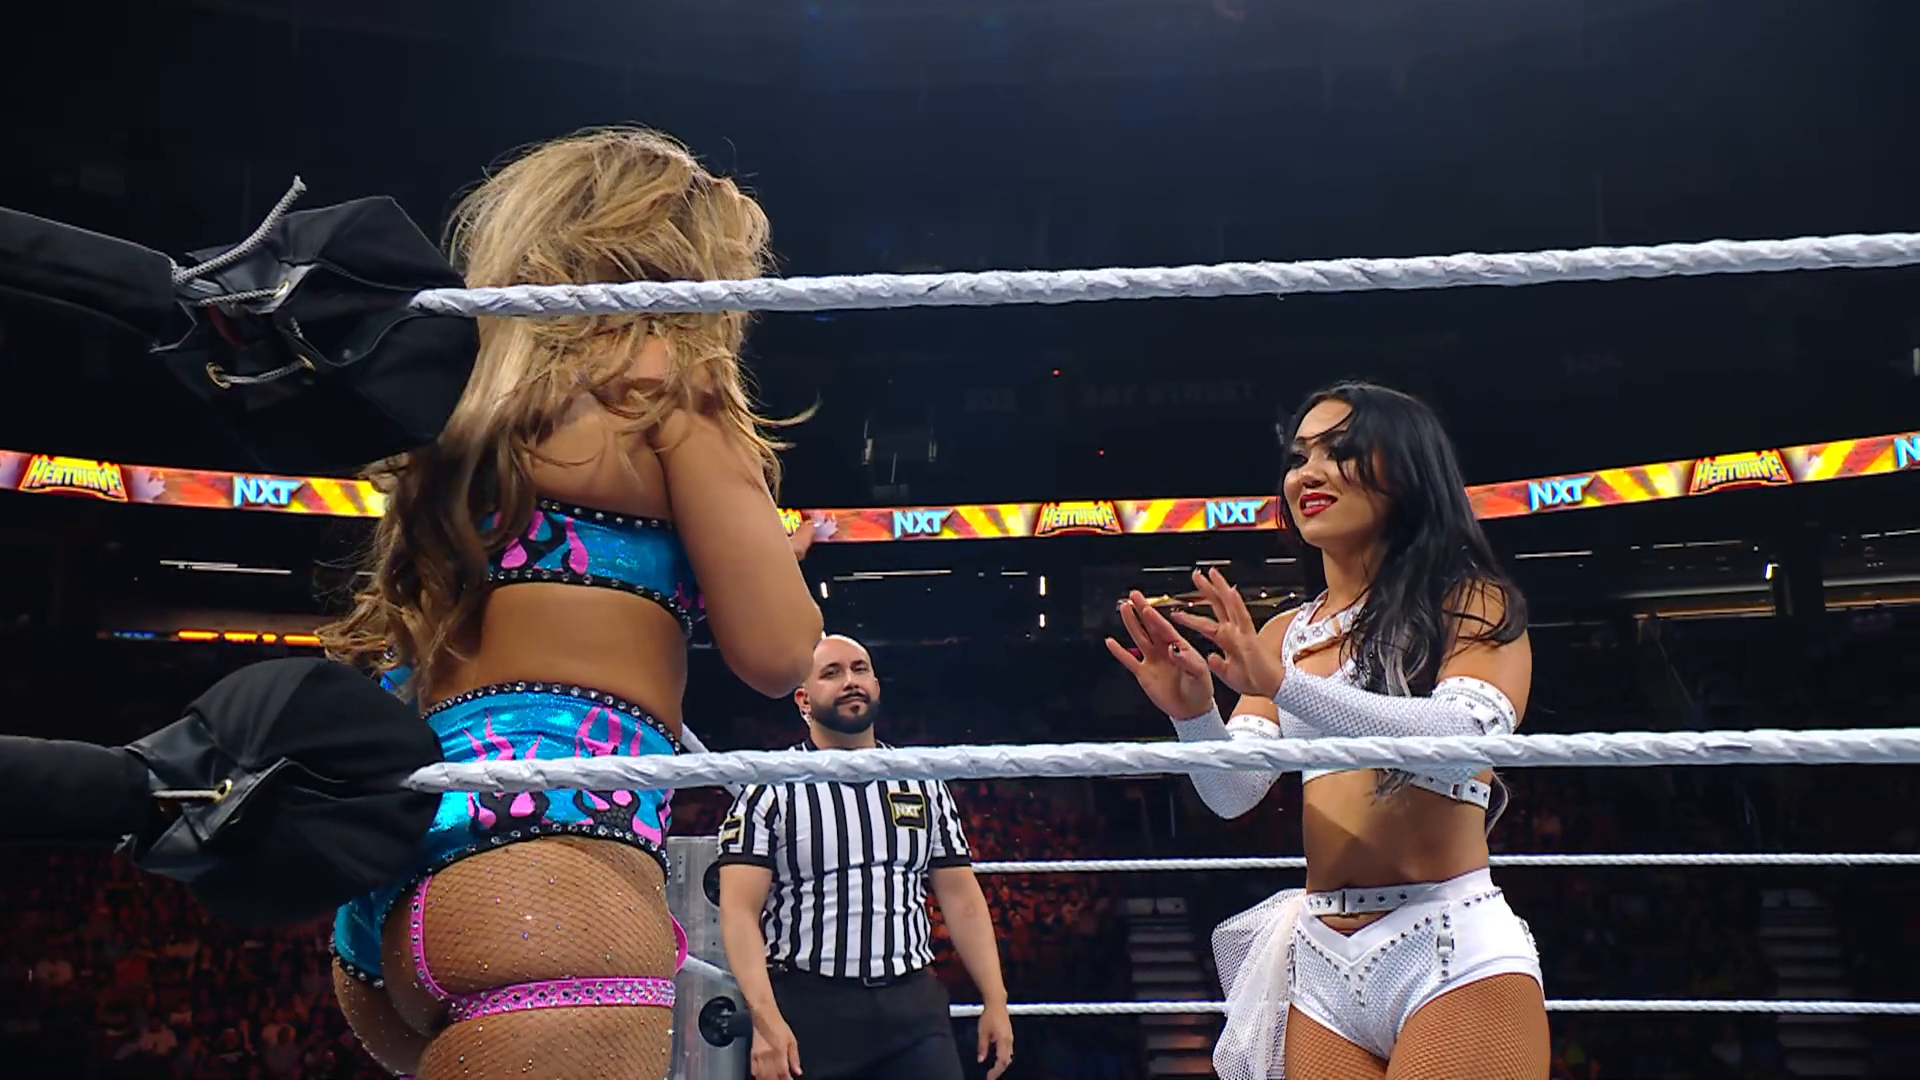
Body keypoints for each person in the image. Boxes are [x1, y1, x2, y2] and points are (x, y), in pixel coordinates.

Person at [316, 128, 824, 1080]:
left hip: (393, 875)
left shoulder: (465, 399)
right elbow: (782, 654)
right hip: (553, 856)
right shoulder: (665, 381)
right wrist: (755, 553)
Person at [1108, 381, 1548, 1079]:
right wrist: (1194, 715)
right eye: (1298, 457)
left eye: (1339, 452)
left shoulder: (1469, 602)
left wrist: (1284, 685)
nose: (1307, 474)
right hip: (1320, 960)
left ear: (1406, 470)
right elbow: (1234, 793)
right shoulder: (1286, 633)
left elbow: (1464, 738)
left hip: (1444, 944)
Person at [715, 634, 1015, 1080]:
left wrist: (996, 999)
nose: (850, 681)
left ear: (876, 685)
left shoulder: (923, 781)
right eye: (831, 673)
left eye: (860, 669)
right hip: (810, 1007)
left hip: (913, 1005)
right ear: (803, 700)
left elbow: (961, 897)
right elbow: (739, 911)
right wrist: (765, 1019)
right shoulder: (770, 787)